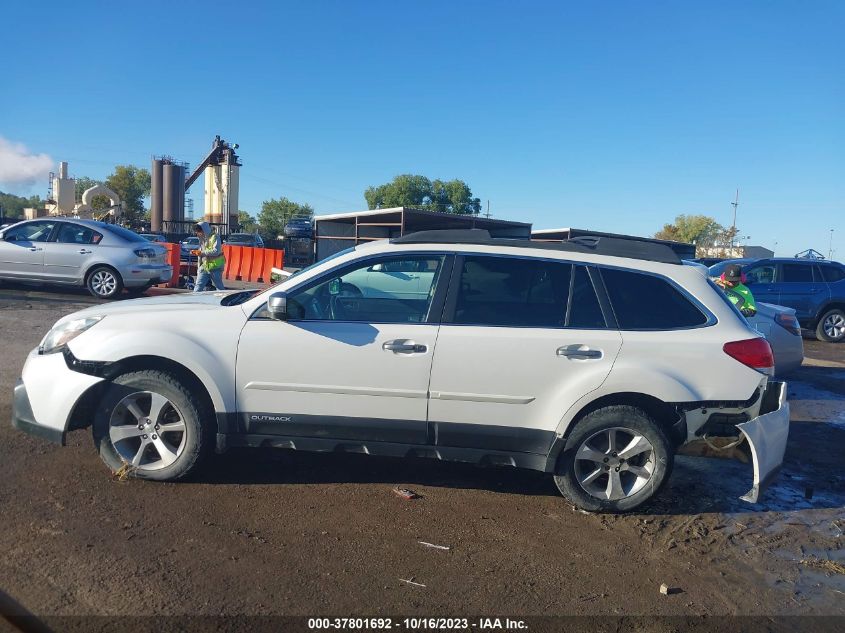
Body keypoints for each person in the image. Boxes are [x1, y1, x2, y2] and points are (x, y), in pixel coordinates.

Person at [191, 222, 226, 292]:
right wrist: (199, 267)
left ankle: (224, 301)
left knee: (219, 288)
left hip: (215, 267)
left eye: (199, 231)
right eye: (197, 232)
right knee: (198, 287)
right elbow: (201, 254)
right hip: (205, 267)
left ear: (204, 230)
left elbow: (216, 251)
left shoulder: (215, 237)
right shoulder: (201, 239)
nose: (197, 233)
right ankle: (194, 301)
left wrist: (201, 253)